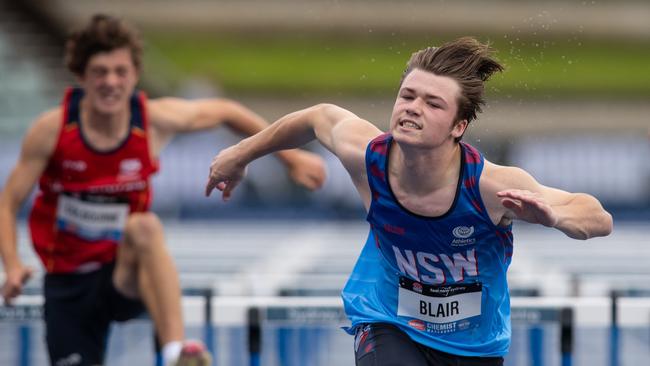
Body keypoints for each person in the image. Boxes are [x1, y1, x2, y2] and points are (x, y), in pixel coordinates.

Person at [205, 37, 613, 365]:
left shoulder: (492, 186)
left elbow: (598, 217)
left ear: (459, 126)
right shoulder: (367, 156)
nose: (412, 109)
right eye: (407, 96)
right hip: (386, 320)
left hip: (475, 345)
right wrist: (240, 155)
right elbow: (317, 117)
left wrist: (553, 216)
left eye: (432, 103)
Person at [0, 14, 325, 366]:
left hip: (124, 274)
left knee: (145, 226)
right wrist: (13, 265)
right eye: (100, 72)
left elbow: (226, 111)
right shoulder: (52, 130)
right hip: (68, 280)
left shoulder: (153, 120)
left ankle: (175, 352)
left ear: (135, 75)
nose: (111, 82)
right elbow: (8, 202)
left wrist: (291, 160)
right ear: (81, 76)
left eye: (120, 72)